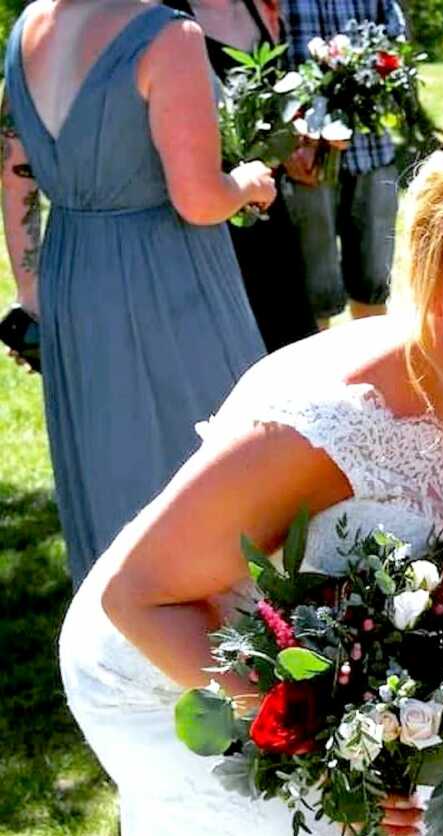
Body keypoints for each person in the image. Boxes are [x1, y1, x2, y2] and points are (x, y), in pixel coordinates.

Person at [58, 127, 443, 836]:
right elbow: (139, 596)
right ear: (429, 275)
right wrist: (338, 745)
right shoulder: (335, 421)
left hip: (347, 676)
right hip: (163, 660)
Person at [1, 0, 274, 588]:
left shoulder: (29, 27)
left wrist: (32, 294)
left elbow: (15, 172)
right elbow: (198, 199)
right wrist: (248, 184)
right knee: (207, 468)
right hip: (168, 278)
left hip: (71, 273)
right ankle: (217, 642)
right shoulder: (168, 35)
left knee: (107, 464)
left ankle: (124, 638)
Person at [164, 0, 319, 352]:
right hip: (211, 215)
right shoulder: (166, 17)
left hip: (270, 206)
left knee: (290, 344)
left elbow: (279, 101)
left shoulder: (261, 8)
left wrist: (297, 144)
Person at [279, 0, 406, 327]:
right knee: (315, 291)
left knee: (374, 282)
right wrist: (285, 143)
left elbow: (395, 42)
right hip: (303, 160)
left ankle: (373, 370)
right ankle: (320, 374)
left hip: (371, 150)